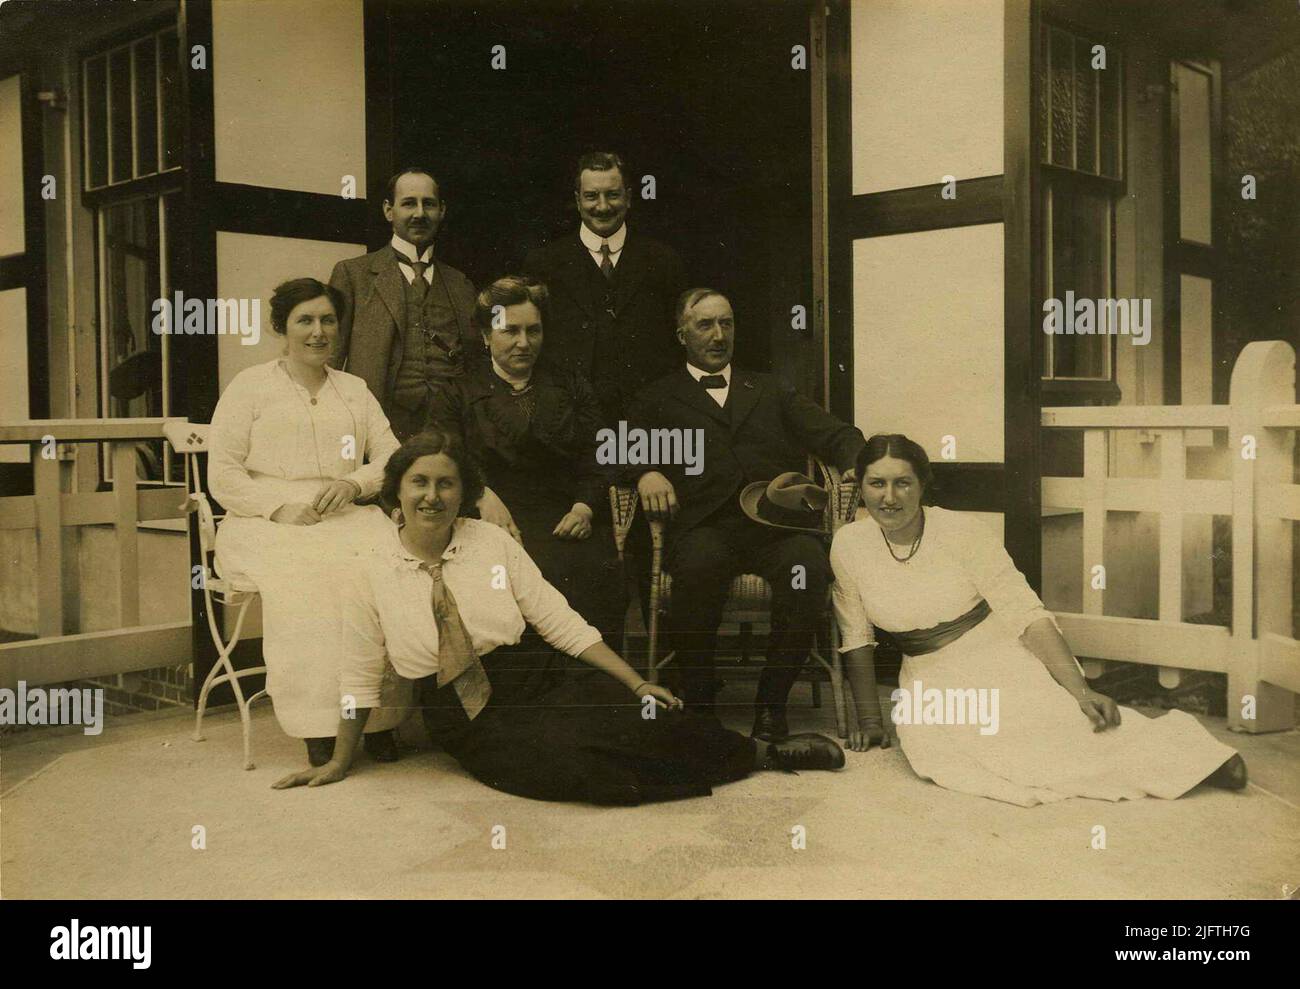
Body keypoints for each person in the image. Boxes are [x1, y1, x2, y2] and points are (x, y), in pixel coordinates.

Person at [271, 430, 847, 804]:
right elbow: (358, 672)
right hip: (465, 708)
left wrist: (637, 680)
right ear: (395, 492)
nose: (432, 496)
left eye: (446, 483)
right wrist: (342, 759)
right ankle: (685, 772)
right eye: (418, 482)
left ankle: (766, 755)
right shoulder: (368, 569)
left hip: (537, 673)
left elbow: (560, 622)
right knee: (574, 770)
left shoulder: (492, 544)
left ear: (464, 492)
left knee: (638, 717)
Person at [831, 433, 1249, 807]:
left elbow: (1025, 614)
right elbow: (856, 634)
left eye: (902, 483)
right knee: (944, 759)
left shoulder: (963, 534)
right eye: (877, 483)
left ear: (923, 485)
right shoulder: (850, 544)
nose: (890, 497)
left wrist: (1081, 690)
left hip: (993, 655)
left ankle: (1198, 757)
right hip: (927, 677)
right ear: (862, 487)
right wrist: (870, 720)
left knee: (1054, 738)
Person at [625, 288, 866, 739]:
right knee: (697, 571)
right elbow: (619, 447)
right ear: (681, 335)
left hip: (777, 527)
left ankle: (772, 706)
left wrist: (858, 462)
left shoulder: (772, 389)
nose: (719, 335)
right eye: (705, 325)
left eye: (727, 323)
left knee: (807, 568)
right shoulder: (658, 396)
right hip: (704, 528)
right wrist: (645, 471)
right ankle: (699, 705)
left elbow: (836, 434)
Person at [208, 278, 412, 766]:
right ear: (282, 327)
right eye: (305, 320)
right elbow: (223, 473)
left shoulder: (354, 389)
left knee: (387, 565)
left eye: (327, 320)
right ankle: (317, 724)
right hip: (263, 519)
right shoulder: (251, 386)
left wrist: (355, 484)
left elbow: (391, 455)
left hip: (343, 511)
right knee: (312, 578)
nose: (318, 332)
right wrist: (278, 507)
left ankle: (379, 718)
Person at [425, 276, 624, 640]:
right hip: (489, 520)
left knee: (599, 574)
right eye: (509, 331)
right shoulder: (457, 392)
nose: (523, 342)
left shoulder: (572, 386)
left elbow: (601, 455)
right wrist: (481, 494)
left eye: (533, 331)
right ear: (486, 336)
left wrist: (584, 507)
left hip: (565, 516)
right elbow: (443, 460)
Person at [523, 151, 686, 422]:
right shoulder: (543, 264)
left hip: (650, 416)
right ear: (577, 201)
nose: (602, 206)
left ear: (629, 197)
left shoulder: (663, 260)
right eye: (591, 196)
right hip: (571, 417)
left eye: (612, 194)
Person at [329, 167, 479, 442]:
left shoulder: (461, 284)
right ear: (389, 210)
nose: (419, 214)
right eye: (409, 203)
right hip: (379, 431)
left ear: (442, 211)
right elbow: (331, 360)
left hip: (448, 433)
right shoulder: (353, 275)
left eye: (429, 204)